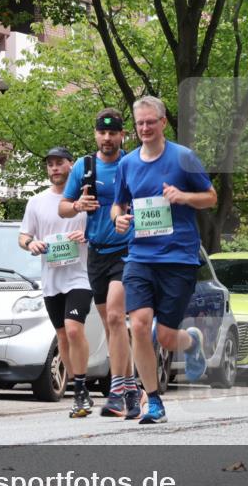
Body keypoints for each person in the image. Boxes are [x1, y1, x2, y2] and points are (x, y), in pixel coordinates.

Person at [111, 96, 215, 423]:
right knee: (140, 324)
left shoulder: (183, 158)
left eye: (150, 122)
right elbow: (118, 204)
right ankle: (153, 400)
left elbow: (210, 197)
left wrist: (183, 196)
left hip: (178, 257)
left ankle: (191, 342)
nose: (144, 128)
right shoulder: (127, 163)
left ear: (163, 122)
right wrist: (118, 219)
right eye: (139, 123)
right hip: (140, 256)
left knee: (167, 337)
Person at [59, 109, 140, 419]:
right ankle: (131, 390)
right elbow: (63, 207)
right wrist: (78, 205)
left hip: (126, 250)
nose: (107, 138)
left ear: (122, 135)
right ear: (95, 134)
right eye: (102, 133)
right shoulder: (84, 166)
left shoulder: (132, 164)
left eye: (113, 133)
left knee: (117, 318)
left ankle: (117, 392)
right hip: (97, 253)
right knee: (111, 326)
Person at [20, 148, 93, 418]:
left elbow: (100, 228)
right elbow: (23, 236)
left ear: (71, 165)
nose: (54, 168)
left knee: (74, 330)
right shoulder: (36, 202)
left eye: (59, 163)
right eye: (50, 164)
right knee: (62, 335)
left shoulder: (85, 198)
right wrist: (32, 243)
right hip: (51, 280)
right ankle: (78, 386)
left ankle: (81, 388)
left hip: (80, 276)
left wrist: (86, 235)